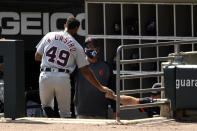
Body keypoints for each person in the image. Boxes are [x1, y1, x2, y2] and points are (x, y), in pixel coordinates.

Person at [35, 17, 114, 118]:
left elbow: (37, 57)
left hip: (45, 74)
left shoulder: (50, 35)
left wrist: (51, 62)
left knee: (46, 106)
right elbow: (86, 71)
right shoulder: (77, 46)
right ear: (76, 29)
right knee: (65, 113)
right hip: (62, 76)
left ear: (65, 26)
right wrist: (100, 87)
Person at [74, 37, 116, 119]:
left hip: (100, 113)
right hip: (82, 112)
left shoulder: (106, 66)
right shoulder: (78, 65)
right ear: (84, 49)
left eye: (93, 46)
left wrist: (115, 110)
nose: (90, 49)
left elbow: (112, 88)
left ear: (98, 49)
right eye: (88, 47)